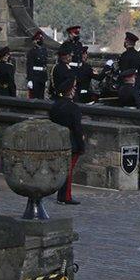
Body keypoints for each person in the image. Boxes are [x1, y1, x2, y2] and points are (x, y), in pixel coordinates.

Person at [49, 77, 85, 205]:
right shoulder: (73, 107)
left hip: (58, 140)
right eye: (73, 87)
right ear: (69, 90)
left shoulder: (55, 105)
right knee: (67, 171)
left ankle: (62, 195)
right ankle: (65, 196)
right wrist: (82, 145)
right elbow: (77, 129)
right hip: (71, 142)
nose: (75, 89)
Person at [118, 31, 140, 97]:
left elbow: (123, 71)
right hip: (138, 84)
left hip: (126, 84)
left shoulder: (124, 55)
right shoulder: (139, 55)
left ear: (127, 41)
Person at [26, 30, 48, 100]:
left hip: (42, 76)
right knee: (34, 96)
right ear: (35, 41)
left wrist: (46, 78)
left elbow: (45, 65)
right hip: (35, 76)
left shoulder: (44, 51)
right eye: (38, 39)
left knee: (41, 96)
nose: (40, 40)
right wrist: (30, 79)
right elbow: (29, 66)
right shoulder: (32, 52)